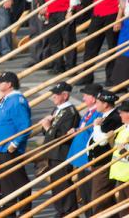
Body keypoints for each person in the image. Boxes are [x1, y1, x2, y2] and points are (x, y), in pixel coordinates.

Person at [0, 71, 32, 215]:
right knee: (7, 183)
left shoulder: (17, 101)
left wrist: (15, 144)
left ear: (9, 84)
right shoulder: (6, 99)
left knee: (18, 181)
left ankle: (25, 211)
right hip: (1, 148)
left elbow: (24, 126)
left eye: (1, 82)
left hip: (9, 149)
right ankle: (9, 211)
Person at [78, 0, 126, 86]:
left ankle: (111, 78)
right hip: (98, 14)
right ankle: (87, 76)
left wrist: (119, 19)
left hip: (112, 15)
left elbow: (122, 0)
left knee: (112, 47)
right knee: (90, 45)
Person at [40, 81, 80, 216]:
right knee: (56, 185)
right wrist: (46, 127)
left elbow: (63, 135)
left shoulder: (70, 112)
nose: (53, 97)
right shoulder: (58, 110)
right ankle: (60, 210)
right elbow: (50, 131)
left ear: (65, 95)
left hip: (62, 153)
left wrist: (47, 127)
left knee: (64, 184)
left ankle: (69, 211)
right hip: (53, 152)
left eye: (56, 94)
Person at [66, 83, 104, 208]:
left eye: (85, 96)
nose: (83, 99)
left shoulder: (98, 114)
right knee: (84, 193)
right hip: (81, 158)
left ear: (93, 98)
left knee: (89, 194)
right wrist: (77, 129)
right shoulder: (90, 111)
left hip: (87, 158)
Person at [86, 89, 122, 214]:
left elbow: (101, 141)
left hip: (104, 163)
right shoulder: (106, 117)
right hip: (98, 162)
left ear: (105, 104)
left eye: (98, 102)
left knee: (99, 199)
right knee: (107, 199)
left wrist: (96, 126)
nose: (96, 105)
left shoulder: (114, 118)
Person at [109, 100, 129, 213]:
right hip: (120, 173)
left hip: (128, 174)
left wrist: (124, 151)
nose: (120, 115)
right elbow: (116, 148)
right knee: (122, 207)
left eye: (122, 112)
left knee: (128, 209)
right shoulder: (124, 127)